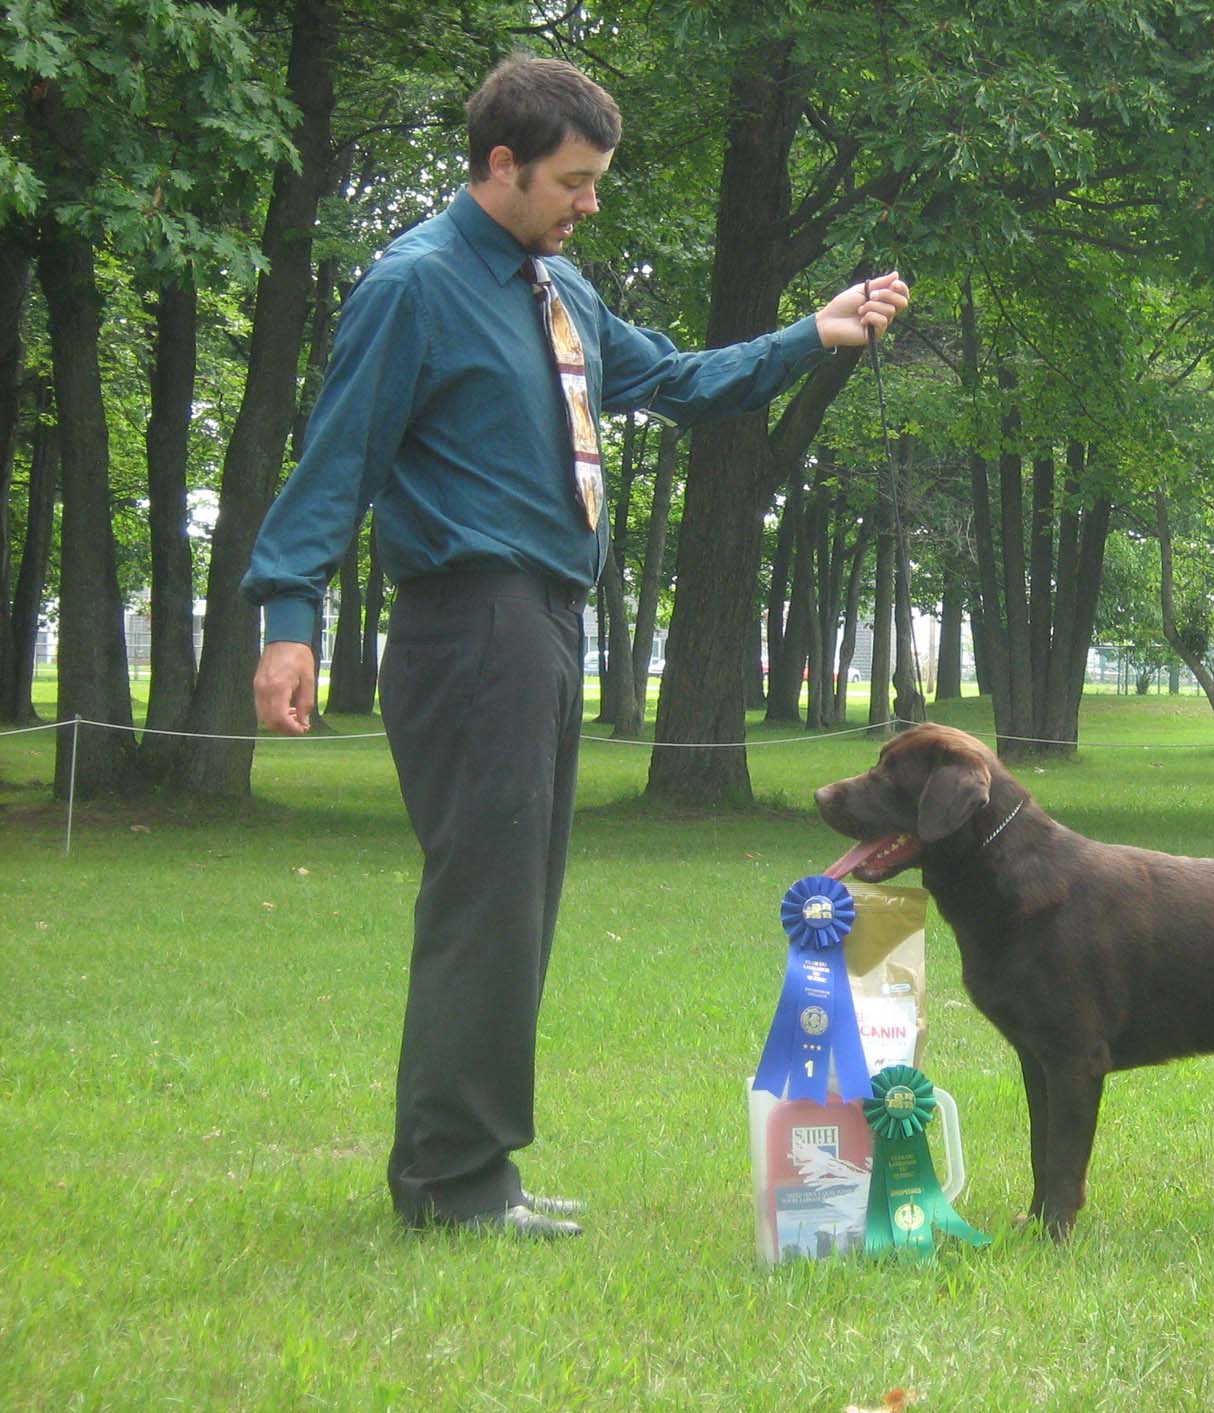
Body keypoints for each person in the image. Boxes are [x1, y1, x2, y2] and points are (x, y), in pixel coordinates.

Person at [242, 53, 909, 1240]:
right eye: (574, 180)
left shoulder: (562, 294)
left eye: (595, 181)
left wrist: (815, 333)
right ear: (502, 165)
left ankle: (473, 1170)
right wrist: (288, 621)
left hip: (546, 621)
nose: (589, 202)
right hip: (469, 623)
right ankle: (452, 1188)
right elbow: (335, 457)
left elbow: (678, 382)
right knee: (485, 909)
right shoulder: (415, 286)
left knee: (520, 910)